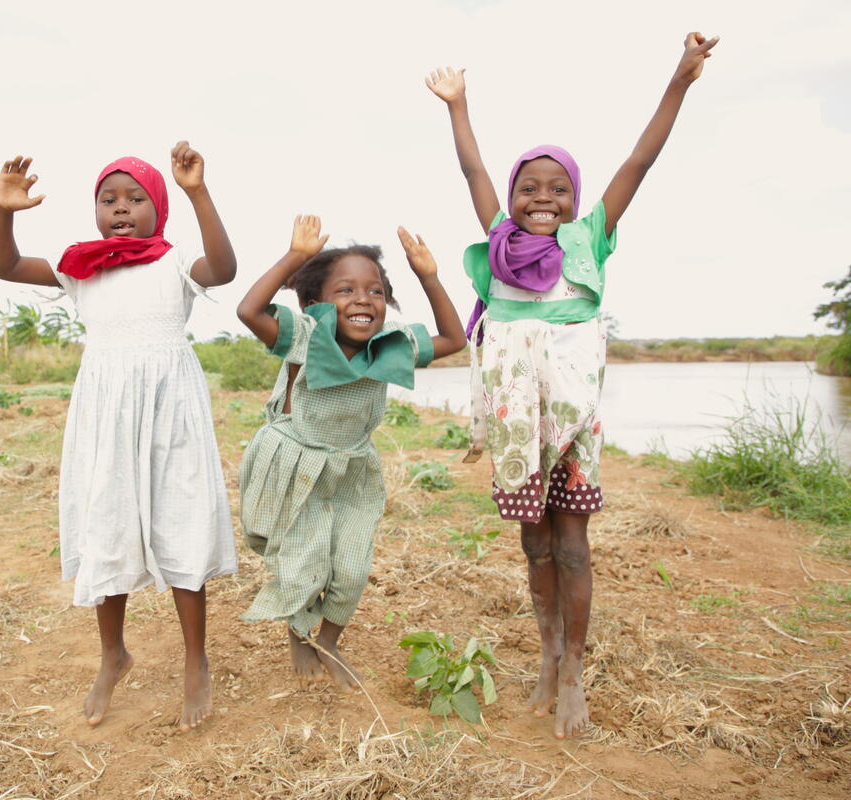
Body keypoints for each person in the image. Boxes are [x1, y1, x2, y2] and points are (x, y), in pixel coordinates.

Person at [424, 32, 719, 737]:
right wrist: (458, 106)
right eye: (530, 187)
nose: (542, 198)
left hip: (572, 426)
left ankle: (575, 678)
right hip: (517, 428)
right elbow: (472, 174)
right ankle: (548, 657)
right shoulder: (496, 242)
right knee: (533, 546)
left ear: (576, 198)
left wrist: (679, 79)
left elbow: (640, 158)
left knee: (573, 546)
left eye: (558, 188)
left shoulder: (589, 239)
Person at [0, 141, 238, 730]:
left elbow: (223, 269)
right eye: (108, 198)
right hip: (105, 412)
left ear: (158, 207)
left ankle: (195, 659)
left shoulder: (173, 262)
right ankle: (113, 655)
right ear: (94, 209)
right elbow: (5, 266)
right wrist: (3, 212)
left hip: (170, 409)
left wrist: (198, 192)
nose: (120, 208)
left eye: (135, 198)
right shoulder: (81, 267)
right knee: (108, 524)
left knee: (182, 522)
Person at [236, 215, 467, 689]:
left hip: (353, 469)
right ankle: (300, 633)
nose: (363, 299)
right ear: (315, 304)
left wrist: (428, 275)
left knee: (353, 567)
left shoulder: (390, 347)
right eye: (345, 290)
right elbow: (248, 310)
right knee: (302, 560)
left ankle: (331, 640)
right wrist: (296, 256)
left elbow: (455, 338)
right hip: (297, 463)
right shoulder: (302, 335)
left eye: (376, 291)